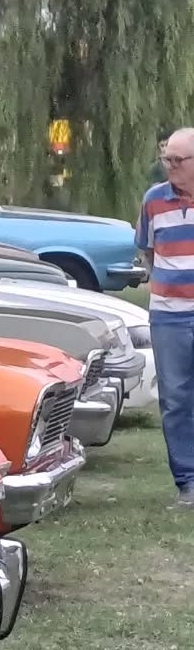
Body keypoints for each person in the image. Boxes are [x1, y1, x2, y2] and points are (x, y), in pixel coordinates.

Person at [137, 125, 194, 505]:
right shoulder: (153, 200)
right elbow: (147, 250)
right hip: (168, 317)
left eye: (178, 160)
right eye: (166, 159)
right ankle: (188, 481)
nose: (170, 167)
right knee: (175, 400)